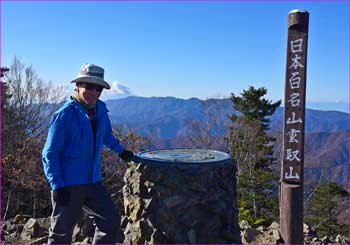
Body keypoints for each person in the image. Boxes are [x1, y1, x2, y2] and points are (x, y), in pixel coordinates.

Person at [42, 63, 134, 244]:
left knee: (110, 222)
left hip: (94, 180)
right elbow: (49, 153)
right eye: (89, 86)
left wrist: (123, 153)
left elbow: (107, 136)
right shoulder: (65, 115)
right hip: (68, 183)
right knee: (61, 232)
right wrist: (57, 185)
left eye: (98, 88)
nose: (94, 92)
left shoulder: (100, 109)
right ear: (78, 86)